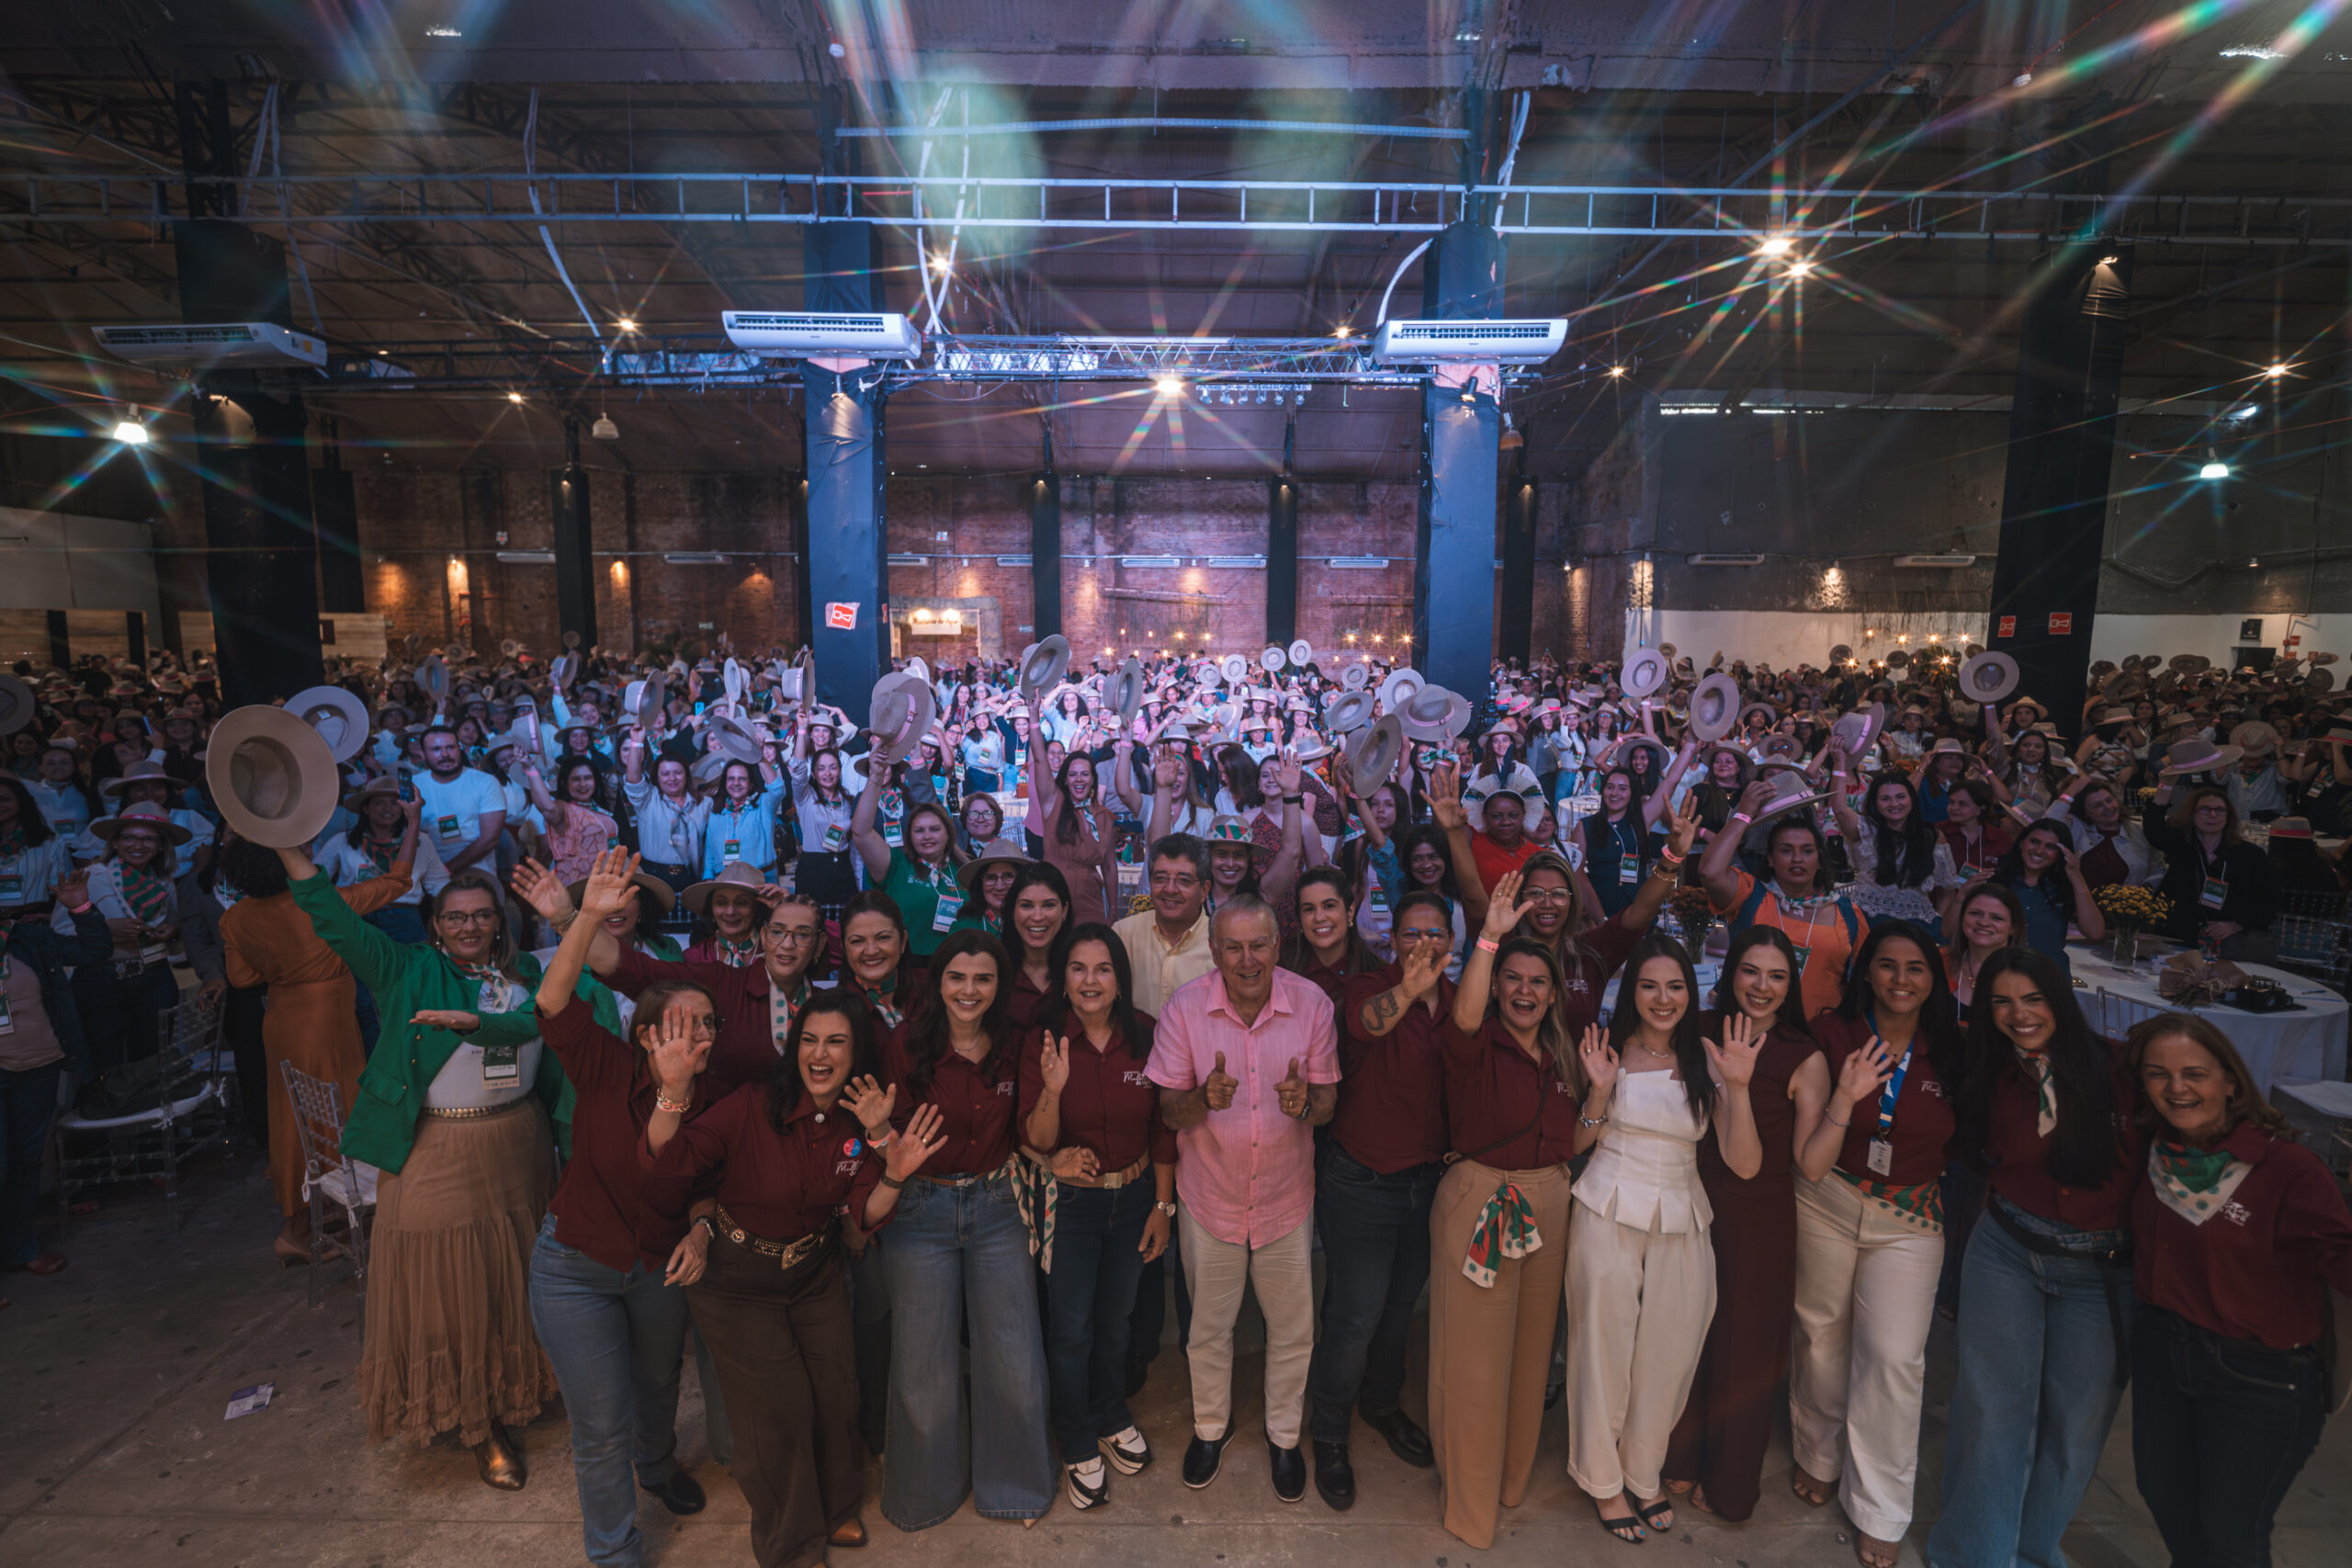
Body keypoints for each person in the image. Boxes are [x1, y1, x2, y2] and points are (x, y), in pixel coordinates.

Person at [286, 849, 565, 1488]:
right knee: (454, 1288)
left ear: (499, 921)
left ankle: (522, 1387)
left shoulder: (524, 971)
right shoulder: (404, 968)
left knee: (516, 1277)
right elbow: (333, 920)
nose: (469, 926)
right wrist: (287, 847)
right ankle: (479, 1422)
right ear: (435, 924)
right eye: (455, 916)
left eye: (482, 915)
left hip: (520, 1145)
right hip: (438, 1149)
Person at [643, 991, 944, 1566]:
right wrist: (673, 1091)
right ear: (793, 1046)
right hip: (736, 1280)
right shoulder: (751, 1104)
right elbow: (669, 1156)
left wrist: (894, 1172)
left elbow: (867, 1211)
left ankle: (836, 1506)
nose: (819, 1054)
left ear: (857, 1053)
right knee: (776, 1414)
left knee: (835, 1392)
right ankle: (792, 1546)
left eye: (835, 1042)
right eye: (809, 1040)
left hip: (814, 1271)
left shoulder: (864, 1120)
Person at [527, 849, 718, 1568]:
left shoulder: (720, 1100)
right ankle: (615, 1552)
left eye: (706, 1025)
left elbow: (699, 1180)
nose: (694, 1038)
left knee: (660, 1383)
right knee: (601, 1424)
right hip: (574, 1266)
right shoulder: (604, 1064)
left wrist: (702, 1227)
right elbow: (553, 1002)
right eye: (678, 1026)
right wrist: (583, 917)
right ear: (643, 1035)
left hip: (659, 1263)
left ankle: (657, 1463)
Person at [1929, 946, 2142, 1568]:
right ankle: (1974, 1554)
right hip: (2007, 1251)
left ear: (2060, 999)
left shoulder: (2123, 1069)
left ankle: (2033, 1549)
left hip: (2103, 1270)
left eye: (2032, 998)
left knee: (2076, 1425)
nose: (2018, 1014)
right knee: (1992, 1410)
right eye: (2001, 1001)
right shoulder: (1989, 1075)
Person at [2120, 1012, 2352, 1568]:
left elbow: (2341, 1257)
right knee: (2165, 1497)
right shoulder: (2152, 1148)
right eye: (2158, 1073)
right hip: (2163, 1352)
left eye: (2194, 1073)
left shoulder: (2287, 1168)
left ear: (2231, 1081)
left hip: (2259, 1377)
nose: (2176, 1088)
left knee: (2230, 1535)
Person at [1430, 869, 1609, 1549]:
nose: (1525, 991)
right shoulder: (1474, 1041)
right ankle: (1471, 1508)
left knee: (1532, 1355)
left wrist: (1599, 1095)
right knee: (1475, 1361)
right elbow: (1464, 1012)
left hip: (1549, 1200)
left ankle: (1509, 1480)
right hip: (1484, 1197)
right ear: (1497, 985)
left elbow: (1575, 1141)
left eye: (1538, 981)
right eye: (1513, 979)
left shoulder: (1564, 1052)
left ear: (1554, 992)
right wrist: (1489, 939)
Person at [1564, 936, 1762, 1543]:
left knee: (1671, 1352)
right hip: (1606, 1206)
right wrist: (1599, 1092)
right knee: (1602, 1348)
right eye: (1649, 985)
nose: (1663, 998)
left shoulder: (1709, 1059)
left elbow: (1745, 1163)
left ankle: (1642, 1471)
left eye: (1675, 986)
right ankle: (1603, 1479)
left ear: (1690, 993)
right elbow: (1575, 1144)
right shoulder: (1607, 1048)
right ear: (1632, 992)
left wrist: (1739, 1087)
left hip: (1682, 1216)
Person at [1148, 894, 1339, 1502]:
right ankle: (1210, 1428)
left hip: (1286, 1199)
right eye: (1233, 946)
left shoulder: (1313, 1004)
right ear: (1214, 949)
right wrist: (1202, 1098)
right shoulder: (1184, 1008)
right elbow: (1168, 1110)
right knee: (1208, 1329)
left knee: (1293, 1331)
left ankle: (1284, 1438)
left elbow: (1327, 1103)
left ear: (1278, 946)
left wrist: (1304, 1104)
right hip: (1211, 1199)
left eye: (1258, 944)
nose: (1247, 958)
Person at [1787, 921, 1963, 1568]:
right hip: (1828, 1197)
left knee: (1893, 1356)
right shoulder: (1833, 1034)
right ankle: (1818, 1454)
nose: (1900, 979)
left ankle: (1881, 1507)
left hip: (1910, 1216)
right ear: (1866, 971)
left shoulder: (1954, 1048)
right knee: (1820, 1333)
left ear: (1934, 978)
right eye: (1887, 965)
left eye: (1916, 967)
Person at [876, 928, 1057, 1529]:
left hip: (998, 1204)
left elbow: (1030, 1128)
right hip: (920, 1210)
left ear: (1000, 985)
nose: (969, 990)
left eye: (983, 978)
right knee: (921, 1361)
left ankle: (1015, 1487)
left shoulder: (1014, 1044)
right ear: (938, 982)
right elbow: (885, 1135)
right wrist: (881, 1138)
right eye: (957, 977)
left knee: (1013, 1353)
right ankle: (924, 1495)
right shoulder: (905, 1043)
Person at [1662, 926, 1830, 1521]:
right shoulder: (1698, 1028)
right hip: (1689, 1190)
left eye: (1777, 975)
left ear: (1791, 985)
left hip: (1758, 1210)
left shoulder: (1803, 1055)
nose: (1762, 986)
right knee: (1684, 1329)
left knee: (1745, 1345)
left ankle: (1731, 1480)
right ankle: (1678, 1451)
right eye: (1751, 971)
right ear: (1730, 971)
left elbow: (1808, 1163)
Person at [1305, 888, 1455, 1509]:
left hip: (1430, 1182)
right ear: (1393, 940)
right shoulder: (1370, 985)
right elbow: (1368, 1024)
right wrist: (1412, 988)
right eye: (1412, 932)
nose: (1423, 943)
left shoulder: (1461, 997)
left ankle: (1382, 1403)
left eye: (1435, 933)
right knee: (1355, 1315)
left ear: (1452, 940)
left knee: (1399, 1309)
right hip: (1363, 1180)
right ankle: (1329, 1430)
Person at [1018, 923, 1175, 1510]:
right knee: (1071, 1328)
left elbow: (1163, 1126)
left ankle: (1110, 1410)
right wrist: (1053, 1090)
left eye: (1103, 968)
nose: (1090, 980)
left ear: (1119, 979)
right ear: (1063, 978)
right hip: (1071, 1207)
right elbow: (1034, 1137)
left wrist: (1162, 1206)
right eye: (1079, 968)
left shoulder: (1147, 1034)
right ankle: (1076, 1430)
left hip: (1134, 1200)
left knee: (1117, 1322)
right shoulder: (1043, 1040)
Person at [220, 818, 416, 1263]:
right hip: (324, 1020)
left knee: (296, 1117)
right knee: (330, 1114)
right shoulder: (325, 902)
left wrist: (282, 964)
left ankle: (313, 1217)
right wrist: (414, 819)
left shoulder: (236, 917)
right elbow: (400, 880)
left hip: (283, 1019)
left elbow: (241, 978)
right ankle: (299, 1229)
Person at [0, 864, 105, 1291]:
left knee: (26, 1163)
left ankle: (20, 1250)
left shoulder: (27, 938)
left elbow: (94, 952)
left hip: (37, 1065)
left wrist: (80, 908)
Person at [60, 801, 193, 1110]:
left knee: (152, 1062)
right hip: (101, 982)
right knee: (103, 1064)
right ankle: (104, 1130)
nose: (138, 845)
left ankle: (148, 1130)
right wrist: (103, 928)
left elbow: (175, 931)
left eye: (148, 839)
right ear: (116, 842)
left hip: (154, 979)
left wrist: (171, 932)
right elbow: (59, 934)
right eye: (129, 837)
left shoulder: (164, 882)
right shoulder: (91, 877)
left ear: (160, 846)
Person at [1699, 784, 1869, 1017]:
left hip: (1818, 1035)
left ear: (1820, 860)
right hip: (1747, 1030)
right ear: (1770, 859)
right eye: (1786, 850)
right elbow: (1710, 872)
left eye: (1807, 851)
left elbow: (1865, 983)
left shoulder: (1848, 914)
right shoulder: (1750, 895)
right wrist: (1743, 814)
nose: (1797, 859)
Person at [2144, 784, 2280, 961]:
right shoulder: (2180, 845)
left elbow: (2271, 901)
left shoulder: (2249, 854)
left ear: (2229, 816)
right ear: (2192, 813)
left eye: (2220, 810)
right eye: (2205, 809)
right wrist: (2166, 784)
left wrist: (2237, 924)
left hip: (2229, 944)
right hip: (2177, 936)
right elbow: (2153, 826)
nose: (2213, 815)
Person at [1826, 765, 1961, 936]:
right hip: (1868, 920)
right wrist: (1839, 764)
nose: (1894, 804)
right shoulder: (1866, 830)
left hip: (1919, 924)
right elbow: (1839, 809)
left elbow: (1947, 891)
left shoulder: (1932, 836)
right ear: (1875, 803)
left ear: (1911, 799)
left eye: (1901, 797)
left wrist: (1939, 923)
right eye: (1885, 798)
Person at [852, 782, 966, 970]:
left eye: (935, 829)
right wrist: (876, 778)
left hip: (958, 967)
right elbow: (861, 833)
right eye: (919, 830)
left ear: (948, 833)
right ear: (910, 836)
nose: (927, 836)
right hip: (908, 968)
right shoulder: (897, 865)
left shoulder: (964, 871)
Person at [1114, 833, 1216, 1017]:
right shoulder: (1123, 934)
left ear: (1204, 890)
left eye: (1184, 881)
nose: (1170, 889)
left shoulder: (1219, 944)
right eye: (1160, 879)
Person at [1984, 818, 2104, 971]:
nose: (2039, 851)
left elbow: (2095, 933)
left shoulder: (2064, 889)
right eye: (2034, 842)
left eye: (2050, 847)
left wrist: (2076, 877)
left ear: (2061, 854)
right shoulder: (1998, 882)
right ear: (2021, 843)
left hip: (2049, 976)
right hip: (2002, 972)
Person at [1035, 747, 1125, 923]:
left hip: (1090, 900)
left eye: (1084, 774)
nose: (1079, 779)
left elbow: (1109, 866)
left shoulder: (1104, 816)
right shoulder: (1054, 804)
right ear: (1065, 780)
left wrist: (1113, 911)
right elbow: (1039, 758)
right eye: (1072, 774)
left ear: (1093, 779)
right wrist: (1033, 727)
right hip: (1054, 897)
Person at [413, 724, 508, 877]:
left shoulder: (485, 782)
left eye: (451, 747)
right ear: (423, 754)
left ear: (460, 749)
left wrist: (445, 871)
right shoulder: (414, 785)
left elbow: (490, 839)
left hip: (477, 871)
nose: (445, 754)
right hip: (426, 871)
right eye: (436, 749)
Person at [1280, 864, 1380, 1006]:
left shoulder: (1375, 974)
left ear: (1350, 912)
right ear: (1300, 919)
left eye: (1329, 906)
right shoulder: (1281, 967)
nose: (1319, 917)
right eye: (1309, 909)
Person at [998, 861, 1072, 1034]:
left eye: (1048, 905)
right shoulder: (994, 970)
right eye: (1027, 906)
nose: (1037, 917)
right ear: (1012, 911)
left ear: (1064, 911)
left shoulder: (1082, 971)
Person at [1943, 881, 2027, 1017]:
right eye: (1975, 913)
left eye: (1997, 918)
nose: (1983, 922)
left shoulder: (2028, 974)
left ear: (2014, 928)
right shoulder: (1937, 962)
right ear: (1962, 918)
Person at [701, 757, 787, 879]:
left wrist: (760, 758)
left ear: (751, 784)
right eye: (731, 779)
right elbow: (709, 853)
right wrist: (708, 878)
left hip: (761, 881)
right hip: (725, 882)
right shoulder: (716, 811)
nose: (736, 783)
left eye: (742, 779)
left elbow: (778, 790)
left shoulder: (763, 805)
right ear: (725, 783)